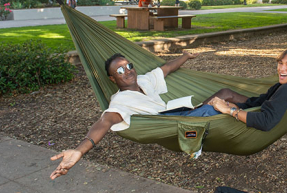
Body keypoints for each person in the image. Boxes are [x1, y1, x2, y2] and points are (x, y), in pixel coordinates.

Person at [50, 51, 199, 180]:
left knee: (223, 94)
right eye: (120, 71)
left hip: (181, 113)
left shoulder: (143, 80)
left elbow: (166, 69)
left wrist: (185, 56)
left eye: (128, 66)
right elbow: (105, 121)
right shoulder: (120, 101)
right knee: (219, 100)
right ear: (112, 79)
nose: (127, 71)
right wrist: (79, 150)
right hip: (173, 124)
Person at [171, 49, 287, 131]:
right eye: (280, 63)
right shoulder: (282, 86)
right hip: (249, 111)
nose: (281, 69)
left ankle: (164, 120)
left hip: (246, 122)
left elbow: (266, 122)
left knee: (197, 113)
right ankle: (172, 117)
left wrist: (230, 111)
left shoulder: (286, 89)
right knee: (219, 99)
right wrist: (235, 105)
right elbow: (258, 102)